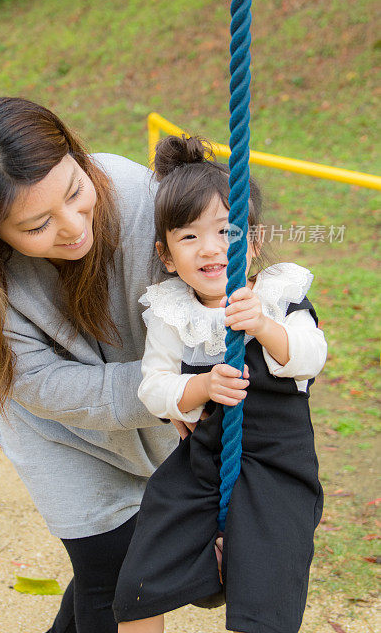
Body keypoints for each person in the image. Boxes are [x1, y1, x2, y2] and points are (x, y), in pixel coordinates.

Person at [0, 97, 179, 633]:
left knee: (125, 565)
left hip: (161, 408)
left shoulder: (139, 196)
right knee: (117, 572)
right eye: (37, 225)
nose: (73, 226)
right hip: (63, 427)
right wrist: (166, 390)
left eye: (76, 192)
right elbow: (38, 381)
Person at [112, 134, 327, 633]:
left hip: (277, 463)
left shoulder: (278, 298)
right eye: (188, 237)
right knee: (139, 583)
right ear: (168, 256)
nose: (210, 248)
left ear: (251, 243)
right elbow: (154, 389)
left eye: (226, 232)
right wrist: (201, 389)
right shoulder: (172, 314)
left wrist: (264, 328)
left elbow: (312, 357)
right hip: (202, 464)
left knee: (266, 593)